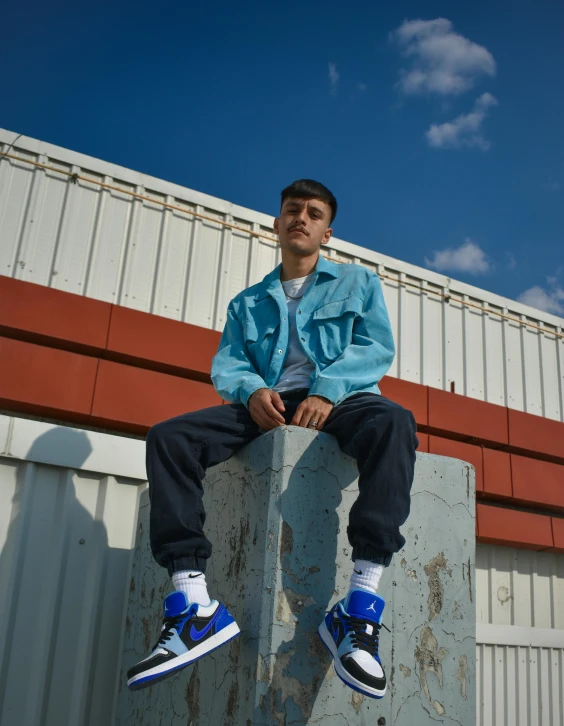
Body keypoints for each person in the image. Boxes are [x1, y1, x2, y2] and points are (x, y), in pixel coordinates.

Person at [127, 179, 418, 698]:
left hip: (344, 400)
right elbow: (229, 362)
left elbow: (374, 348)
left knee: (394, 421)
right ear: (277, 223)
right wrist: (252, 389)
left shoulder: (357, 283)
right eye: (291, 210)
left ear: (327, 231)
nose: (300, 218)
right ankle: (193, 605)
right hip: (269, 406)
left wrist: (327, 390)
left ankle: (358, 609)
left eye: (313, 213)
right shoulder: (248, 302)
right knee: (169, 438)